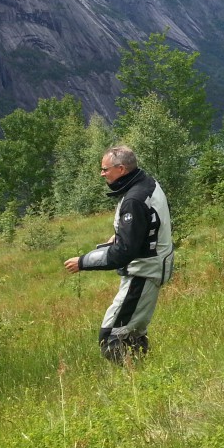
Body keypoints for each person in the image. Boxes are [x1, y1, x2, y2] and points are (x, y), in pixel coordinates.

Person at [65, 145, 174, 361]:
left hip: (143, 273)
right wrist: (122, 234)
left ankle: (133, 382)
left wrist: (83, 262)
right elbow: (151, 221)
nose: (102, 173)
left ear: (121, 169)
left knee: (112, 335)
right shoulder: (147, 183)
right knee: (132, 331)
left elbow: (123, 253)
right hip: (152, 267)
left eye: (105, 169)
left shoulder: (134, 198)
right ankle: (143, 374)